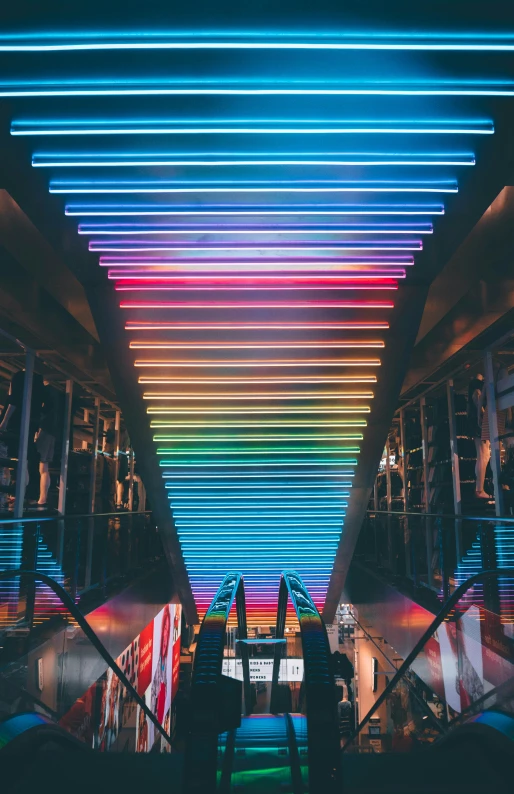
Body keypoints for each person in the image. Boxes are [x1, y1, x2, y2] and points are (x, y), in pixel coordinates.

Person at [468, 374, 489, 498]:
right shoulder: (477, 388)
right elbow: (477, 399)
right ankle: (479, 489)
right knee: (483, 454)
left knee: (483, 454)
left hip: (476, 423)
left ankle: (479, 488)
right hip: (479, 423)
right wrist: (482, 416)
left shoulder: (473, 388)